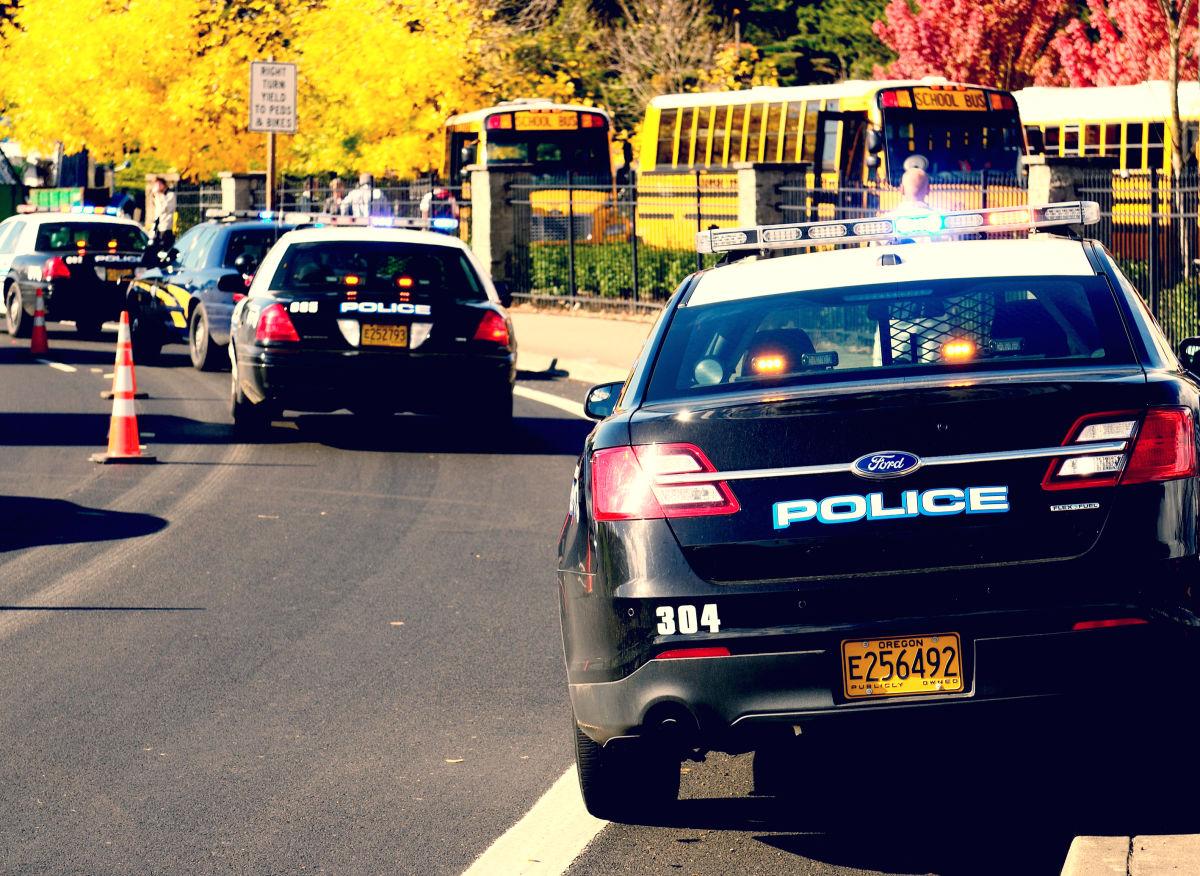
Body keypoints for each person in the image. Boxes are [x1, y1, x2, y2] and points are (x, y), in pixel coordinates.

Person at [149, 176, 176, 252]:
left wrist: (158, 195)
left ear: (163, 184)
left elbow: (163, 209)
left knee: (165, 248)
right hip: (158, 226)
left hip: (166, 227)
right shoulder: (158, 196)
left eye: (158, 184)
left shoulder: (170, 195)